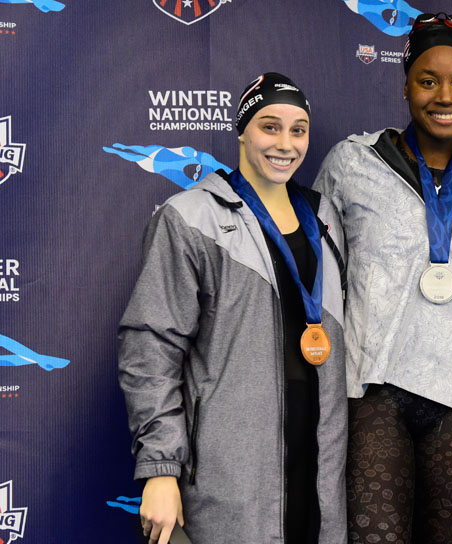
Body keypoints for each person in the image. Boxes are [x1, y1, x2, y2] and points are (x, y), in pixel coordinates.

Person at [313, 13, 452, 544]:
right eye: (428, 80)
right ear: (405, 86)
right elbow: (314, 277)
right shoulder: (351, 165)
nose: (445, 96)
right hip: (371, 395)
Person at [118, 72, 347, 544]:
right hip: (231, 474)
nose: (285, 144)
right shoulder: (191, 217)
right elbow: (151, 347)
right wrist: (161, 469)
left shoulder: (325, 218)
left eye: (298, 130)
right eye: (270, 126)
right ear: (242, 131)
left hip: (318, 466)